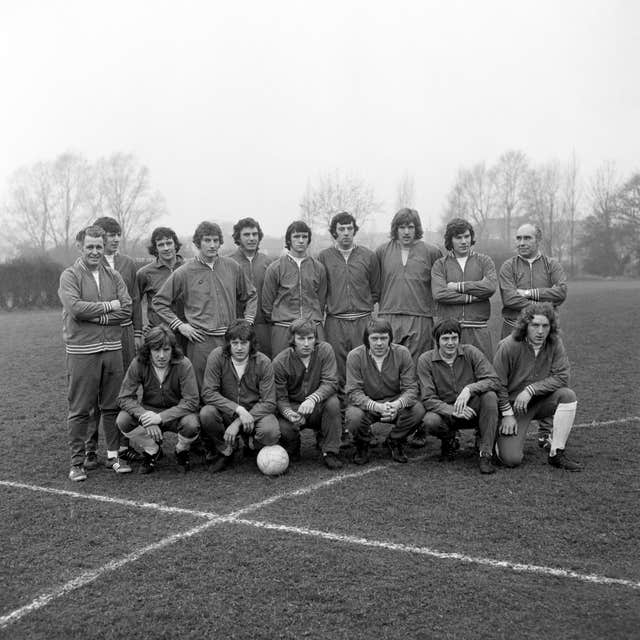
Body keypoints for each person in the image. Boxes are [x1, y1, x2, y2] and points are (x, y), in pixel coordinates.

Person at [58, 225, 132, 481]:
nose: (95, 251)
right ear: (81, 247)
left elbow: (127, 310)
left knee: (112, 405)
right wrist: (108, 308)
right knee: (80, 408)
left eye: (99, 246)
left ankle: (113, 455)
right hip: (82, 351)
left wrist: (99, 318)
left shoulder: (114, 276)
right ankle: (77, 463)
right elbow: (76, 309)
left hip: (112, 349)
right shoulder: (69, 276)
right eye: (90, 246)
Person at [153, 221, 257, 389]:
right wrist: (180, 326)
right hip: (201, 341)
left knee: (231, 386)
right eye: (207, 240)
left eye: (216, 240)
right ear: (198, 243)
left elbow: (251, 295)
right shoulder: (185, 272)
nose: (212, 245)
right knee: (204, 389)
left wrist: (248, 322)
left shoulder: (232, 266)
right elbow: (159, 302)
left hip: (230, 339)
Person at [498, 222, 568, 448]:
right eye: (518, 238)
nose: (521, 243)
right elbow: (509, 299)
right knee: (507, 375)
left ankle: (545, 432)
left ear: (538, 240)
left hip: (543, 330)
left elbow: (561, 292)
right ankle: (505, 418)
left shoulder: (552, 265)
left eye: (527, 238)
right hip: (512, 328)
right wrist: (543, 303)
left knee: (546, 374)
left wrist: (529, 293)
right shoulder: (508, 266)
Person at [84, 216, 144, 470]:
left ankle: (122, 446)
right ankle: (89, 448)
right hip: (97, 336)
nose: (116, 239)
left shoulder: (128, 264)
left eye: (118, 234)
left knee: (123, 390)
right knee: (94, 394)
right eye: (111, 235)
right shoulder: (86, 267)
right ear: (99, 238)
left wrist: (139, 331)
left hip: (125, 334)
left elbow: (134, 301)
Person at [493, 302, 581, 471]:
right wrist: (506, 414)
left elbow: (562, 376)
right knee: (511, 459)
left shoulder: (555, 343)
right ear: (525, 325)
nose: (540, 331)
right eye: (535, 325)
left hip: (538, 402)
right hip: (512, 408)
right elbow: (497, 385)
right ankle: (494, 440)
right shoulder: (508, 345)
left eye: (545, 326)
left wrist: (531, 390)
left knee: (567, 395)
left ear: (551, 327)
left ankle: (557, 453)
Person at [417, 319, 500, 474]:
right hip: (446, 413)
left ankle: (486, 453)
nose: (450, 343)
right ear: (437, 340)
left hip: (472, 408)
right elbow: (427, 398)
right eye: (445, 339)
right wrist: (451, 410)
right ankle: (448, 439)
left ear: (459, 339)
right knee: (430, 421)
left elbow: (494, 380)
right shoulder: (425, 360)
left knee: (490, 396)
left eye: (454, 338)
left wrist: (469, 389)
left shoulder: (471, 352)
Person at [116, 326, 200, 474]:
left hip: (177, 414)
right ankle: (152, 449)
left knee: (191, 424)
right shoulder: (139, 363)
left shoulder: (183, 363)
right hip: (149, 411)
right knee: (123, 420)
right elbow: (124, 397)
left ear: (173, 349)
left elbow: (192, 401)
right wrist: (145, 417)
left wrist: (160, 418)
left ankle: (181, 450)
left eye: (166, 350)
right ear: (148, 350)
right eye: (156, 350)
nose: (161, 355)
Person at [199, 320, 280, 473]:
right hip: (227, 411)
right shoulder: (217, 356)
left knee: (271, 431)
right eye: (234, 343)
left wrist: (238, 422)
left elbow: (269, 402)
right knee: (207, 413)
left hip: (255, 414)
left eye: (244, 343)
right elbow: (208, 393)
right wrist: (238, 410)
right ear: (228, 343)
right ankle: (226, 449)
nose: (239, 348)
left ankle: (253, 444)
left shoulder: (263, 362)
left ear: (251, 343)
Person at [345, 318, 425, 465]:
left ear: (390, 338)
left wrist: (397, 405)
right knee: (353, 416)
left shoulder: (402, 353)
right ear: (366, 340)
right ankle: (363, 443)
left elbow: (411, 388)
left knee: (418, 410)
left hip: (394, 402)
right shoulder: (355, 356)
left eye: (384, 338)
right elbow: (353, 391)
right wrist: (377, 406)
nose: (379, 343)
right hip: (368, 404)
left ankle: (395, 440)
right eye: (374, 338)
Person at [318, 211, 380, 390]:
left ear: (354, 231)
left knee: (364, 363)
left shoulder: (369, 256)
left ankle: (363, 407)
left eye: (349, 228)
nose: (346, 233)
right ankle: (342, 410)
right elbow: (321, 290)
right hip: (336, 321)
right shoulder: (324, 257)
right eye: (341, 229)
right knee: (337, 366)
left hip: (363, 320)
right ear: (334, 232)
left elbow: (376, 289)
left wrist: (363, 304)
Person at [272, 319, 343, 469]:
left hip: (317, 405)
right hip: (294, 408)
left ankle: (330, 451)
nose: (306, 343)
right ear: (293, 340)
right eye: (301, 338)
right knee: (282, 427)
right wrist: (289, 413)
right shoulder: (280, 362)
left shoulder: (325, 350)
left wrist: (312, 399)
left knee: (333, 403)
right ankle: (293, 446)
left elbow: (331, 382)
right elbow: (280, 397)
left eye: (310, 338)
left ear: (315, 339)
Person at [375, 208, 442, 362]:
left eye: (410, 227)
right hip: (388, 315)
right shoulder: (382, 251)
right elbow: (374, 285)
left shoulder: (432, 252)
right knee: (389, 365)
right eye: (402, 227)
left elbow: (438, 288)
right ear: (395, 229)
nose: (406, 232)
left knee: (418, 366)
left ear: (416, 228)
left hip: (420, 318)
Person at [431, 218, 497, 359]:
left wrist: (458, 287)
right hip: (448, 333)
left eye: (467, 236)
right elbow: (440, 294)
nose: (464, 241)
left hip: (478, 329)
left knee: (483, 373)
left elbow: (490, 287)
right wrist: (472, 296)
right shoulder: (440, 265)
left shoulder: (484, 261)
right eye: (458, 237)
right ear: (450, 240)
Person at [262, 220, 327, 356]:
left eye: (304, 237)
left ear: (309, 240)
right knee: (282, 369)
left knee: (315, 367)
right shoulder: (275, 268)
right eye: (296, 237)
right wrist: (282, 318)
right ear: (289, 240)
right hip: (284, 327)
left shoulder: (318, 268)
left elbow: (321, 299)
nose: (301, 240)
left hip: (312, 326)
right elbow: (267, 304)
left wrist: (312, 318)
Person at [228, 217, 274, 357]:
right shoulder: (228, 262)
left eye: (255, 234)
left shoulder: (268, 262)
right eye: (246, 235)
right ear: (238, 237)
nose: (251, 238)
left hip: (264, 326)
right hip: (237, 327)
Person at [135, 226, 186, 350]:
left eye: (169, 243)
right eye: (161, 245)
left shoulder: (188, 268)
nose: (166, 248)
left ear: (175, 245)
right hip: (159, 335)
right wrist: (139, 331)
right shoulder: (145, 273)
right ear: (155, 249)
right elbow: (135, 303)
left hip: (186, 332)